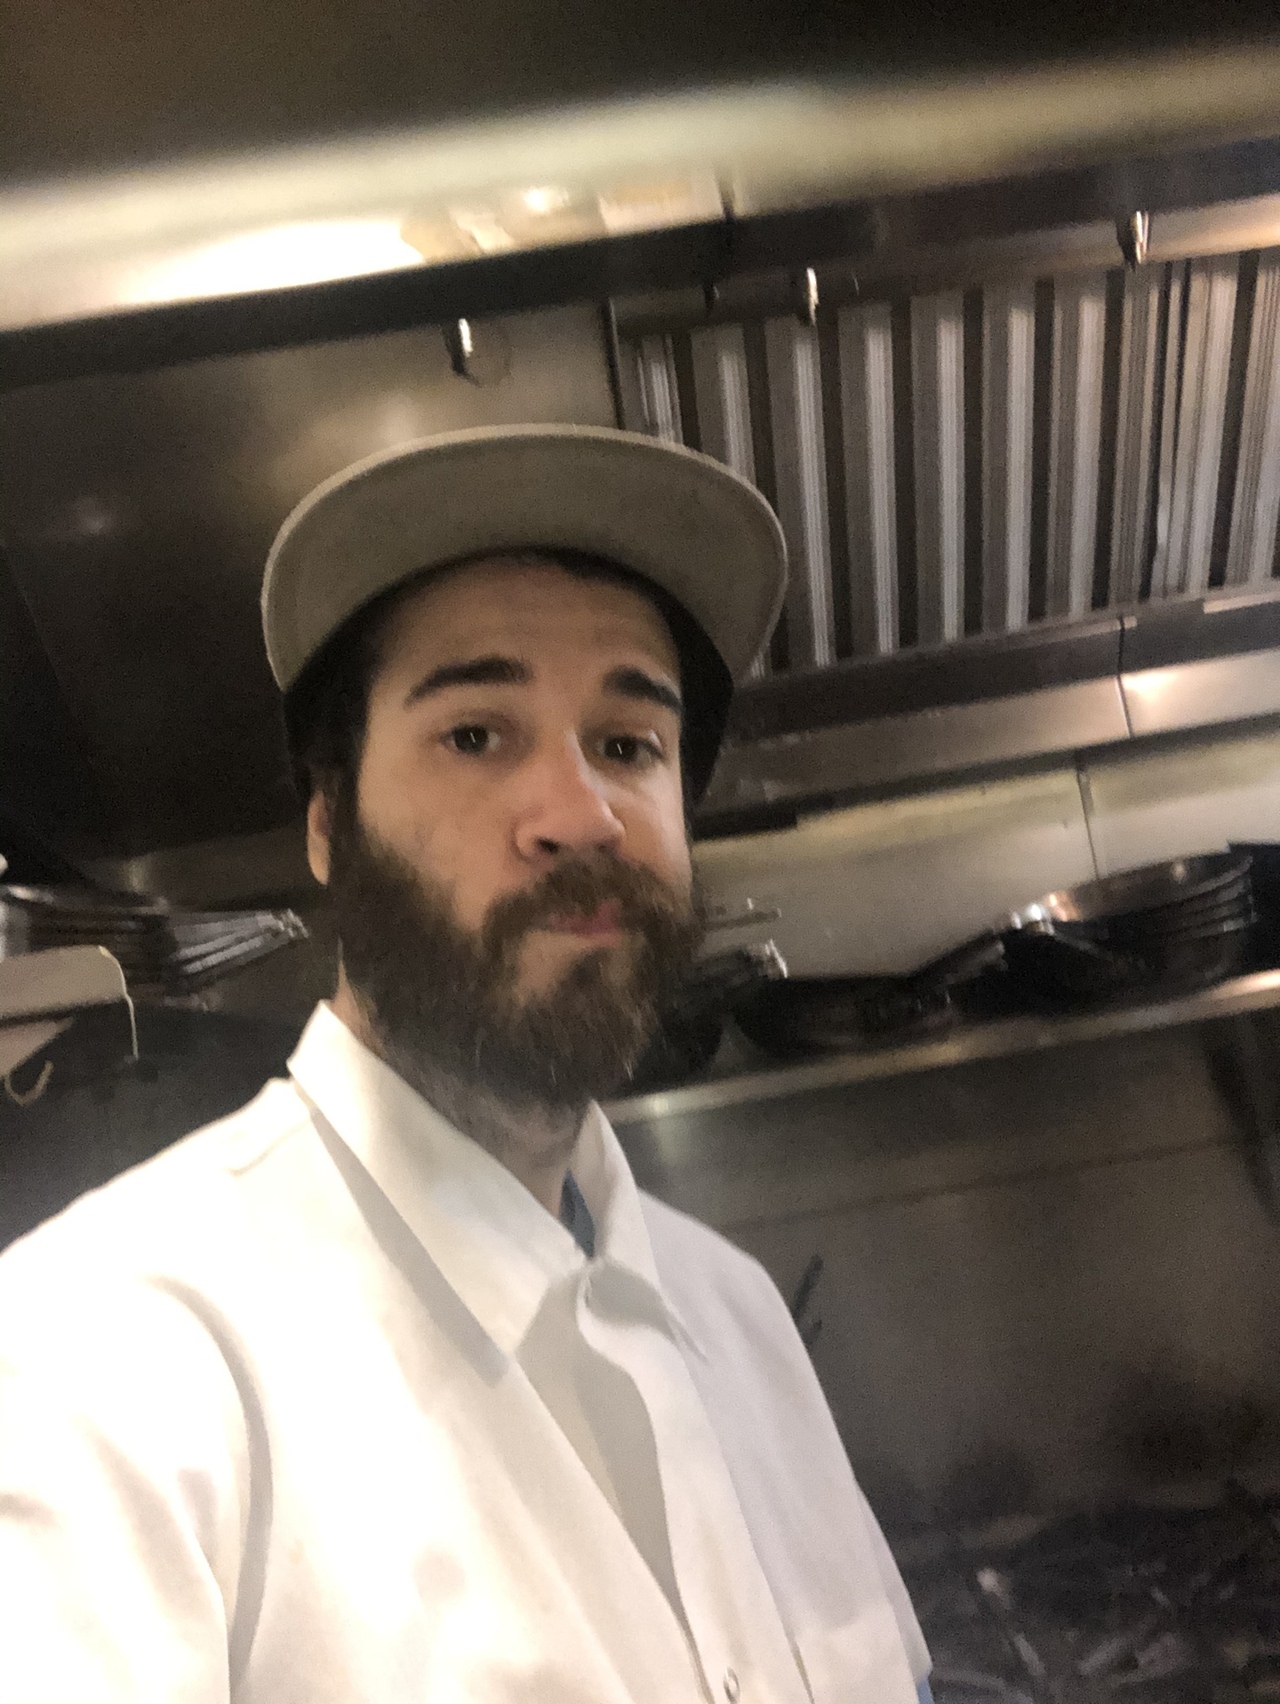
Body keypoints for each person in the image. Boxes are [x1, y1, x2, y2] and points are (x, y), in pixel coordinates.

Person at [0, 425, 933, 1702]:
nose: (582, 816)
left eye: (627, 744)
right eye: (477, 735)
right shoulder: (99, 1363)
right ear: (328, 824)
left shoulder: (736, 1313)